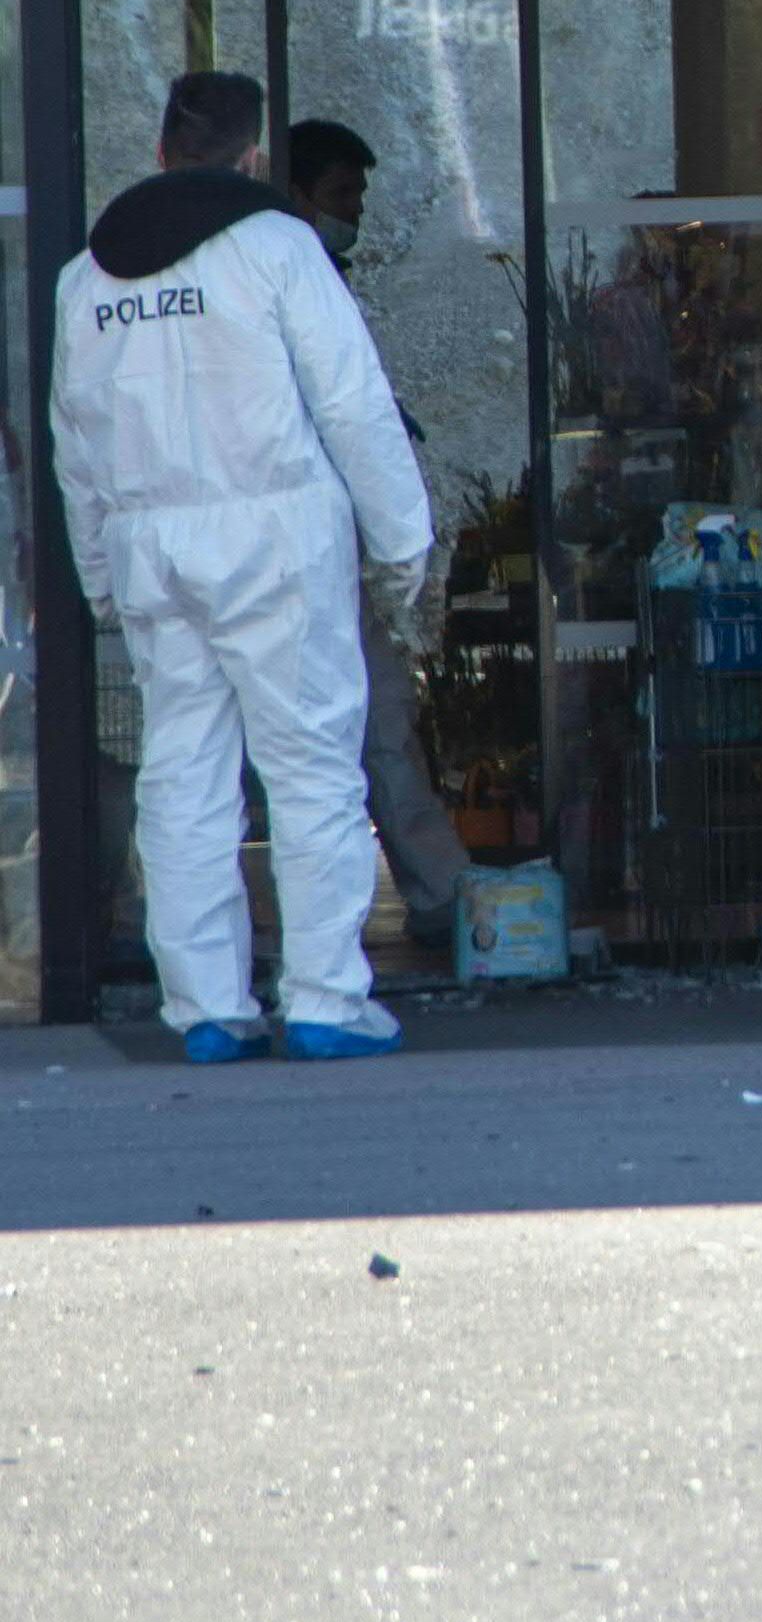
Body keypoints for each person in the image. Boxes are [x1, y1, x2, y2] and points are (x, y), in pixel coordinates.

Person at [52, 72, 433, 1063]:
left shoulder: (88, 277)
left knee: (181, 777)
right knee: (311, 771)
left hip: (151, 549)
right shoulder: (276, 247)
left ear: (161, 147)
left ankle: (207, 1007)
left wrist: (99, 570)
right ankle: (324, 999)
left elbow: (76, 440)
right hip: (273, 537)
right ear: (256, 155)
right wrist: (402, 540)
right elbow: (352, 403)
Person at [285, 117, 469, 953]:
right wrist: (402, 555)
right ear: (293, 193)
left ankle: (443, 896)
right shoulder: (283, 283)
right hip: (302, 552)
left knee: (382, 725)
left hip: (323, 550)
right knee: (351, 735)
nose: (353, 212)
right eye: (340, 196)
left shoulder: (308, 277)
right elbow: (357, 422)